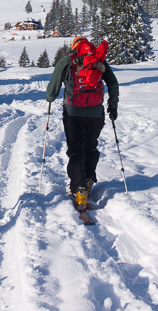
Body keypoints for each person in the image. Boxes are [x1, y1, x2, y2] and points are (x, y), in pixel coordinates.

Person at [46, 36, 120, 211]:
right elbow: (113, 83)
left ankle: (79, 189)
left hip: (73, 113)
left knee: (76, 150)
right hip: (96, 113)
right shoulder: (98, 60)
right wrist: (113, 105)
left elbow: (52, 90)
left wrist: (50, 98)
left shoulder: (66, 62)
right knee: (91, 147)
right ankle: (87, 181)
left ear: (74, 48)